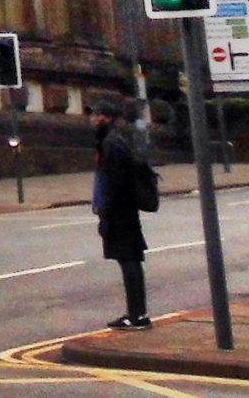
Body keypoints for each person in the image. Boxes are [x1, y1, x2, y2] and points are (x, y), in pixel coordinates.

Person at [92, 98, 152, 331]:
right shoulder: (112, 140)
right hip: (122, 211)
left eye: (97, 115)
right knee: (129, 261)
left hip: (120, 213)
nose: (93, 119)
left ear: (106, 118)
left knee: (129, 261)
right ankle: (136, 313)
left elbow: (114, 182)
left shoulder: (112, 143)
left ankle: (138, 315)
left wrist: (106, 214)